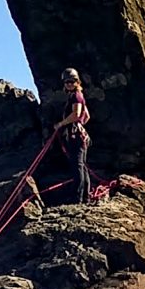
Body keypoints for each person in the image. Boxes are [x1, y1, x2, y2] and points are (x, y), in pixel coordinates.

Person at [57, 68, 93, 202]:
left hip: (76, 136)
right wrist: (80, 125)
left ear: (77, 82)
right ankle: (85, 196)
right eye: (67, 82)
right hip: (80, 134)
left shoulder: (76, 96)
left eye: (71, 82)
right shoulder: (79, 95)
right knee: (81, 165)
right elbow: (86, 116)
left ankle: (78, 197)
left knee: (77, 165)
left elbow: (76, 114)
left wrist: (61, 124)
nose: (69, 84)